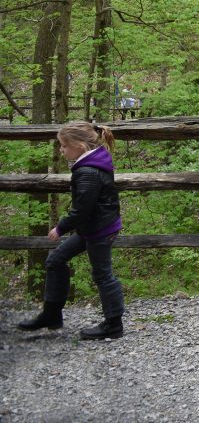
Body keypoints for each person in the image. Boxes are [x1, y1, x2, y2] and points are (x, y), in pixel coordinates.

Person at [18, 122, 125, 340]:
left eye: (64, 146)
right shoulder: (93, 162)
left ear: (79, 146)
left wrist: (60, 228)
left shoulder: (88, 171)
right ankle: (51, 315)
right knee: (55, 260)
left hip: (100, 229)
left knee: (102, 274)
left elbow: (82, 210)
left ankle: (114, 325)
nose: (61, 150)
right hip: (93, 227)